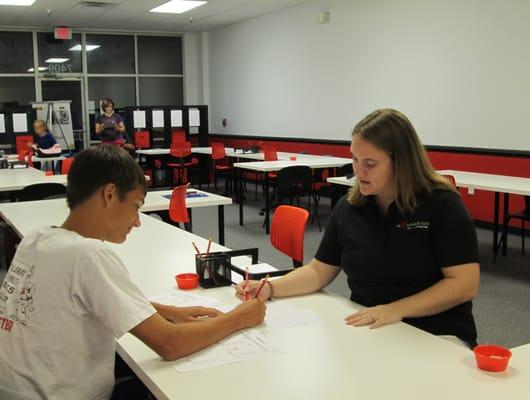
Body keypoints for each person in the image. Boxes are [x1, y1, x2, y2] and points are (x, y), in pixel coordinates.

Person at [0, 145, 266, 399]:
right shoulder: (89, 256)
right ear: (109, 194)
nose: (138, 221)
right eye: (136, 206)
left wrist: (169, 312)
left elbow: (85, 299)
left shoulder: (38, 238)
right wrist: (239, 317)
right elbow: (170, 344)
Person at [236, 108, 480, 348]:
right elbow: (319, 271)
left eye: (370, 164)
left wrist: (397, 310)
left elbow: (464, 284)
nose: (358, 171)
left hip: (436, 334)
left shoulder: (441, 204)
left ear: (401, 163)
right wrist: (270, 288)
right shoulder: (350, 207)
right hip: (371, 327)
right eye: (354, 159)